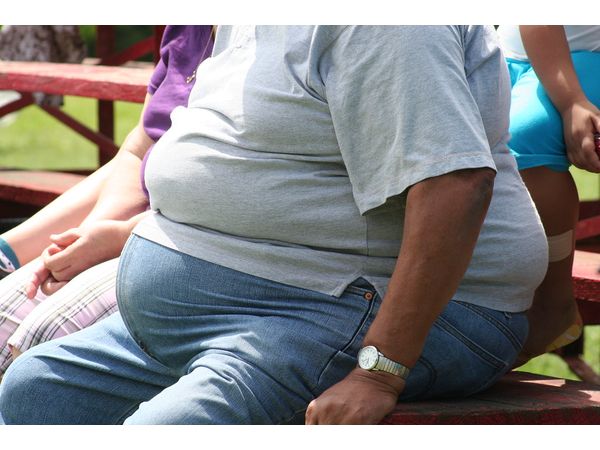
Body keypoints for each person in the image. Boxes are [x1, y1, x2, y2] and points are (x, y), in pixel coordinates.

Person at [0, 25, 548, 425]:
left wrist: (379, 371)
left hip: (348, 306)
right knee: (35, 393)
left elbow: (455, 186)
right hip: (243, 309)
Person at [0, 26, 214, 374]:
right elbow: (137, 150)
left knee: (37, 345)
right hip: (136, 230)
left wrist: (115, 238)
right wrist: (81, 243)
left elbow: (230, 192)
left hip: (189, 244)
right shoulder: (186, 29)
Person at [497, 25, 600, 360]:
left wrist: (571, 102)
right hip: (508, 51)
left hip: (587, 54)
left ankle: (554, 304)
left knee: (525, 136)